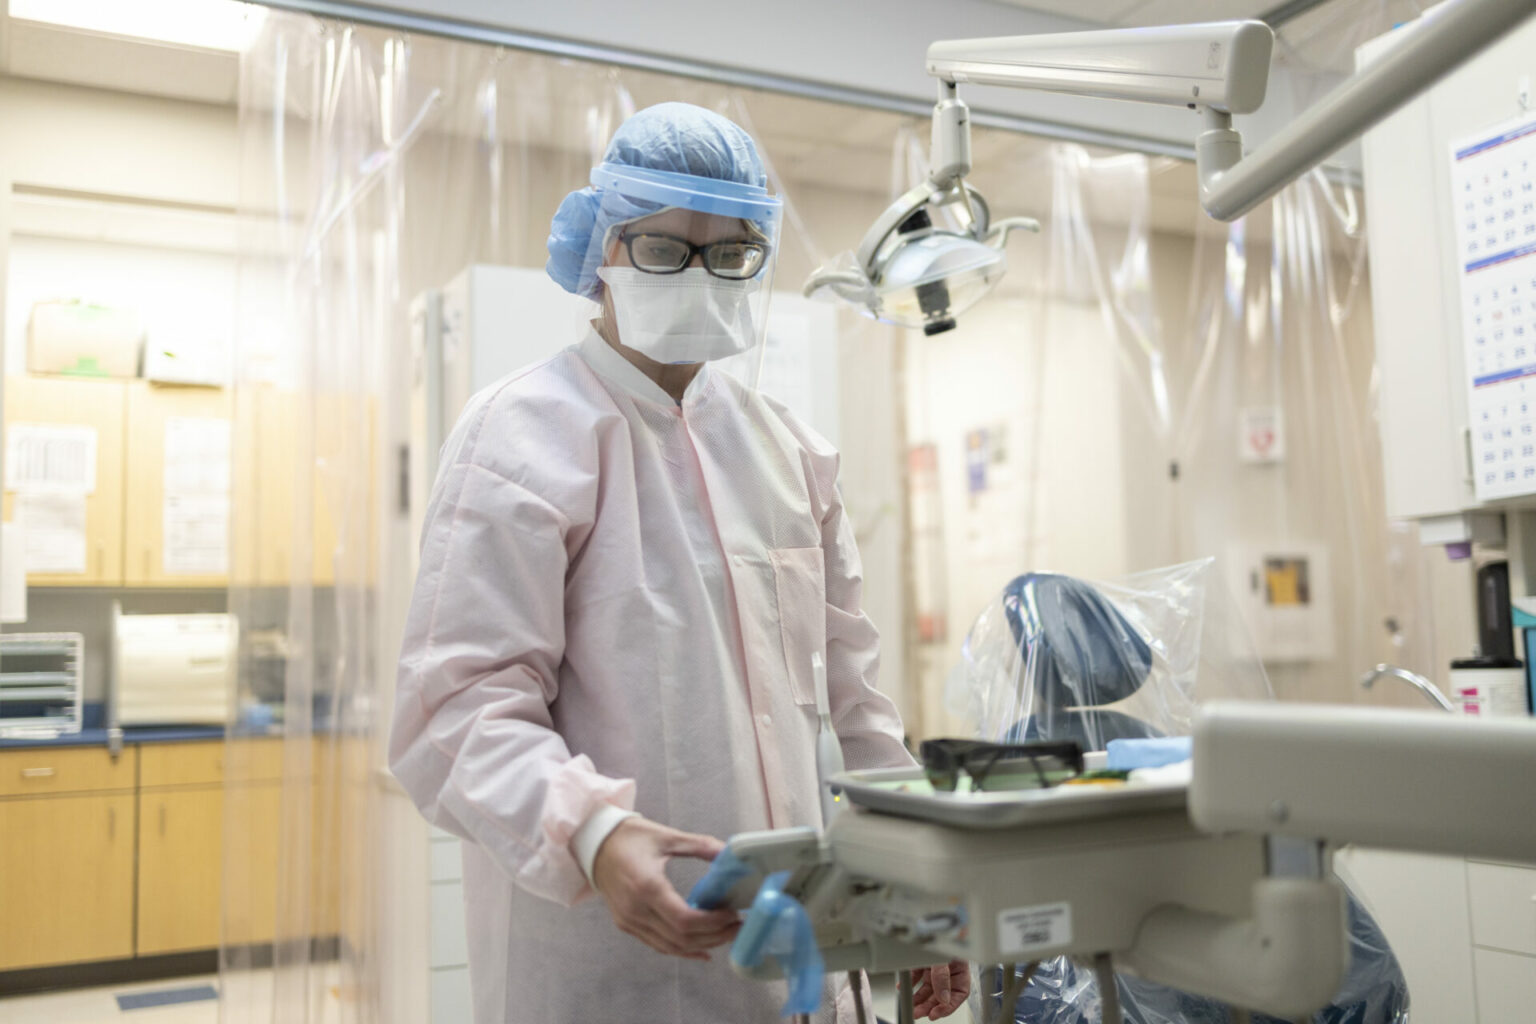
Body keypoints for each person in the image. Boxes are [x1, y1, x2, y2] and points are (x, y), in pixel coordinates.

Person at [390, 101, 970, 1023]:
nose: (697, 275)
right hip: (608, 962)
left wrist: (921, 876)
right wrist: (593, 833)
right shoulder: (522, 438)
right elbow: (454, 709)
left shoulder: (789, 451)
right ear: (602, 254)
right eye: (663, 248)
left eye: (730, 253)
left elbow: (855, 705)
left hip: (804, 957)